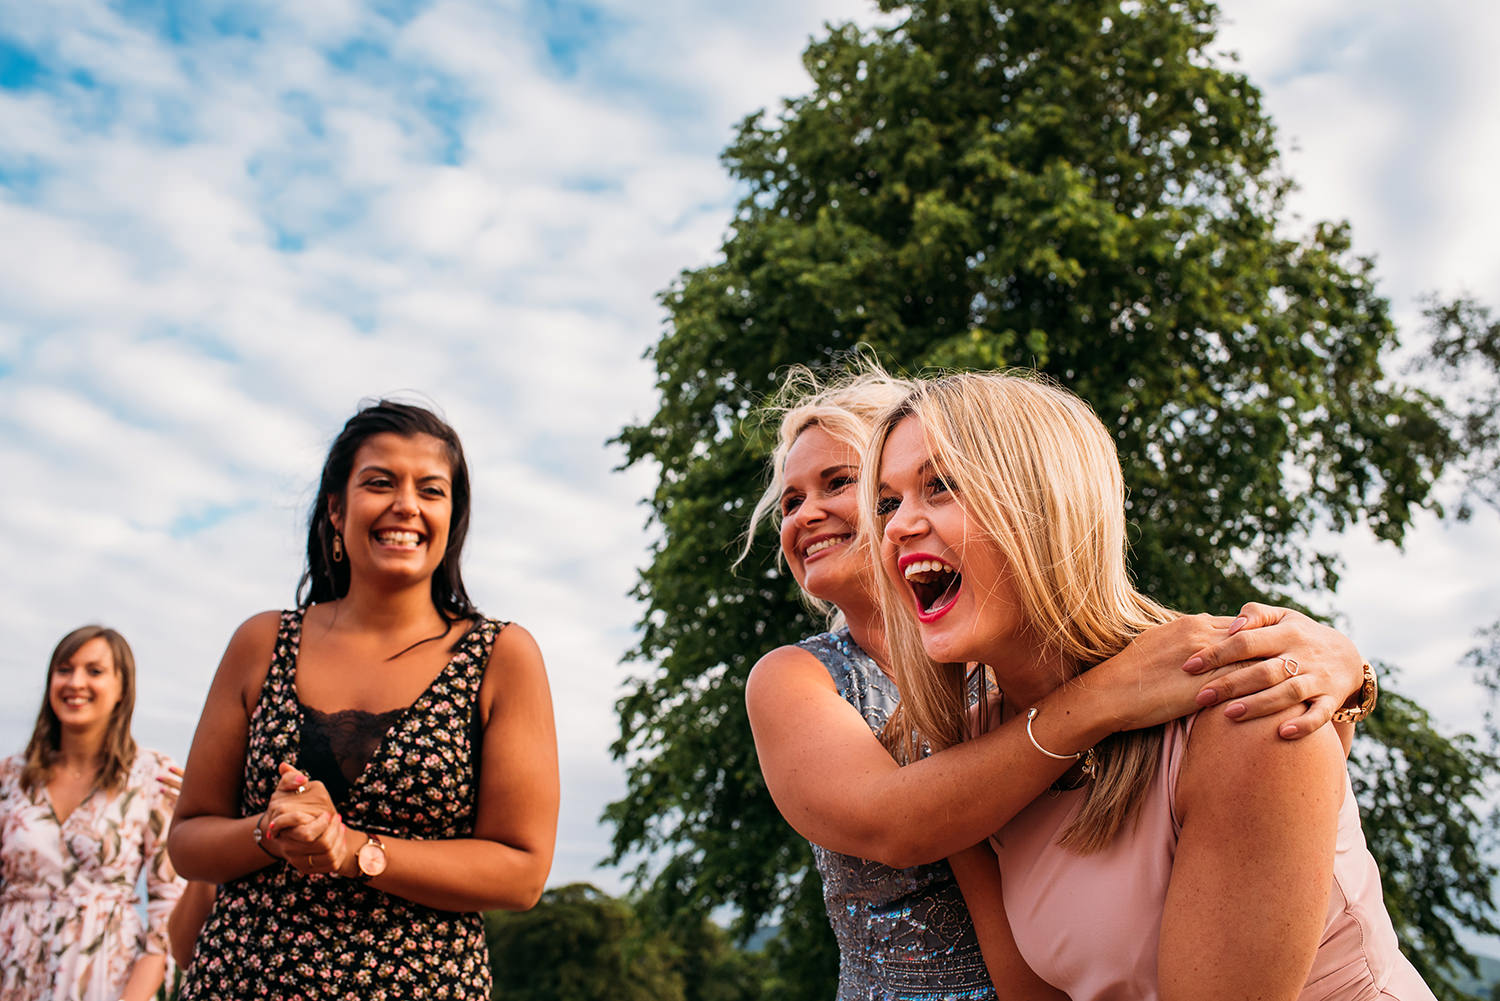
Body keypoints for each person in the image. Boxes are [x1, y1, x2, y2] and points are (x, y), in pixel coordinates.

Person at [743, 368, 1369, 1000]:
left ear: (1044, 502)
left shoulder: (1230, 701)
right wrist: (1101, 701)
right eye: (888, 503)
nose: (898, 525)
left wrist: (1351, 676)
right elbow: (900, 826)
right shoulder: (959, 726)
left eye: (941, 486)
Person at [168, 400, 560, 1000]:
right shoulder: (261, 641)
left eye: (431, 490)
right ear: (336, 508)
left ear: (452, 517)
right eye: (380, 483)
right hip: (240, 980)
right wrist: (272, 832)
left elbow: (522, 873)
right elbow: (188, 841)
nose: (406, 504)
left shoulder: (501, 656)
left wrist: (351, 850)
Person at [0, 625, 185, 1001]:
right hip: (13, 975)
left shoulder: (153, 776)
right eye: (64, 669)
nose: (76, 682)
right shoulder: (11, 776)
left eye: (95, 671)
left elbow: (168, 911)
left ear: (122, 688)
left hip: (108, 980)